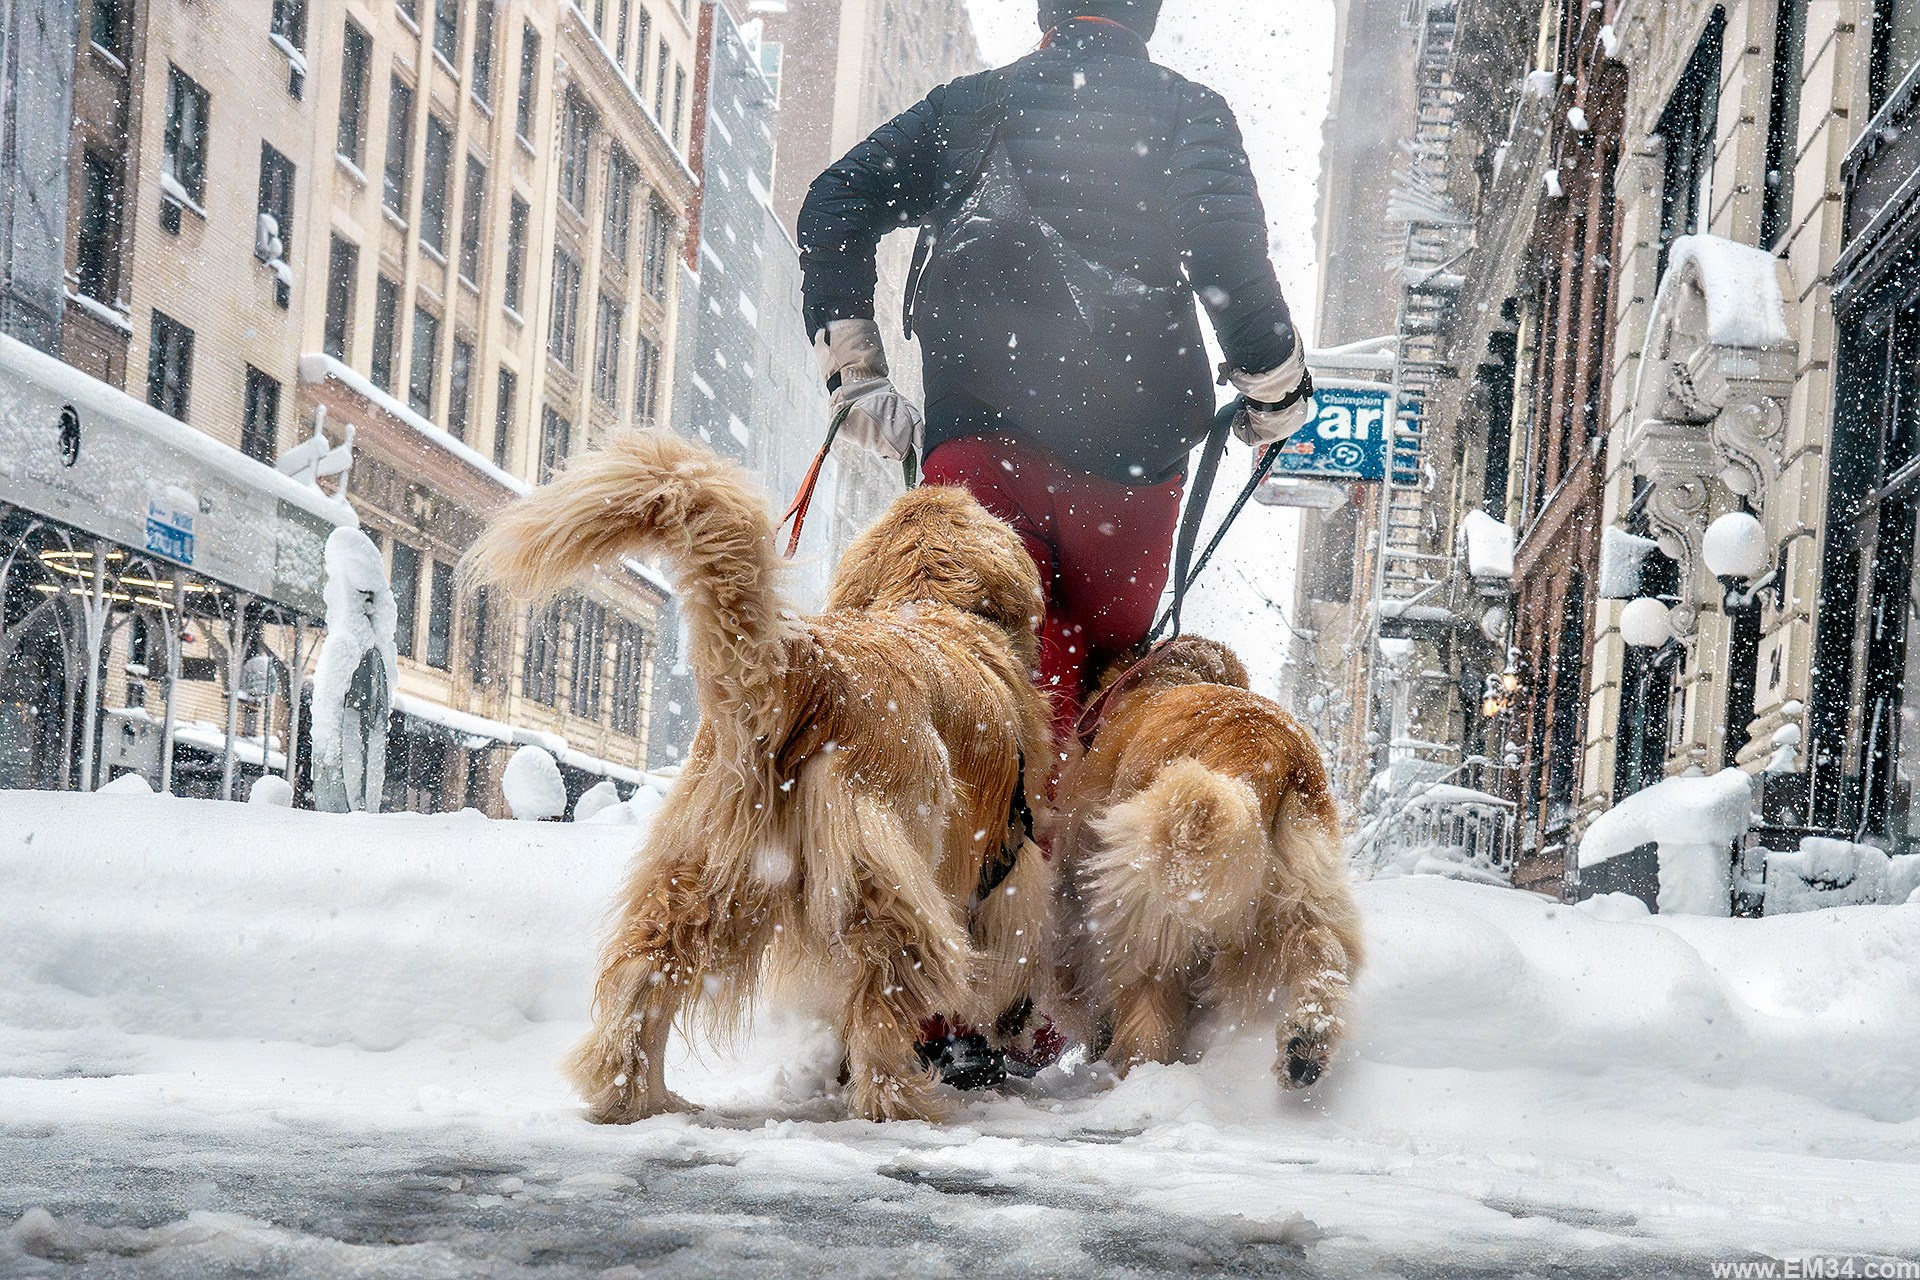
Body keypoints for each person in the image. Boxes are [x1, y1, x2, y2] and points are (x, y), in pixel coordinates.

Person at [797, 0, 1312, 739]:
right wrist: (1273, 387)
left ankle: (984, 832)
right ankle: (1062, 831)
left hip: (978, 441)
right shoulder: (1188, 112)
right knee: (1102, 687)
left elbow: (834, 202)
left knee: (982, 671)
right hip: (1129, 465)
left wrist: (858, 379)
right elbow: (1226, 253)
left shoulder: (969, 105)